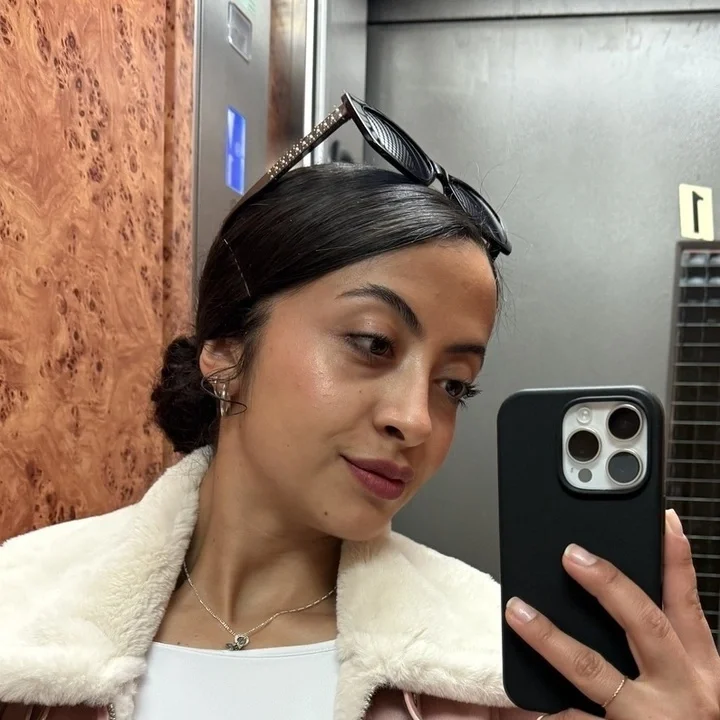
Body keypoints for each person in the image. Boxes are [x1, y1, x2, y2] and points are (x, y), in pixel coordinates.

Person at [1, 95, 718, 720]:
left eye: (454, 384)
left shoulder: (496, 671)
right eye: (373, 343)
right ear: (225, 351)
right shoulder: (22, 615)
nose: (417, 420)